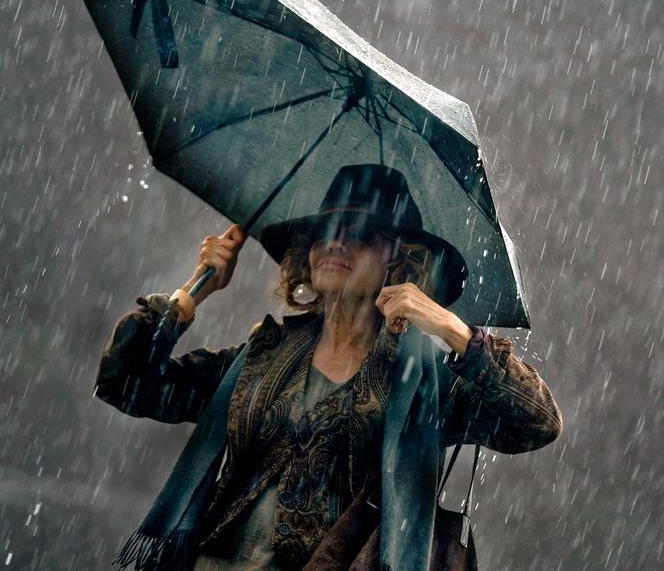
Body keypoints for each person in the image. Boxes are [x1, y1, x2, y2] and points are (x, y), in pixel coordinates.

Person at [96, 164, 562, 570]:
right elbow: (127, 384)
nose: (335, 242)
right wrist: (191, 293)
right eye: (326, 229)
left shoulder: (425, 383)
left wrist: (453, 331)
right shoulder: (263, 355)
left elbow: (536, 422)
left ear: (397, 260)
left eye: (361, 233)